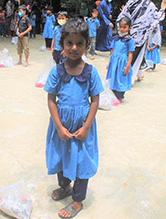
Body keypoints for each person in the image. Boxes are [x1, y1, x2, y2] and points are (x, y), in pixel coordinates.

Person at [44, 18, 104, 218]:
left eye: (80, 43)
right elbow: (51, 100)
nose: (74, 48)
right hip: (61, 127)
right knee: (61, 157)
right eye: (69, 43)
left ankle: (77, 201)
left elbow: (94, 101)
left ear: (87, 45)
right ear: (62, 44)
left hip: (82, 128)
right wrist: (59, 127)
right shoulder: (57, 71)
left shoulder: (90, 72)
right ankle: (65, 186)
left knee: (81, 162)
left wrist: (86, 127)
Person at [117, 0, 166, 83]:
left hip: (127, 35)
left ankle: (128, 77)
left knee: (125, 57)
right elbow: (155, 20)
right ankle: (128, 79)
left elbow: (121, 18)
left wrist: (122, 32)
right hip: (139, 38)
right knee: (135, 59)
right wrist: (162, 9)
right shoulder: (150, 5)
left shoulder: (131, 2)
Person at [106, 17, 134, 103]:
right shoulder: (116, 38)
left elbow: (130, 54)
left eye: (124, 27)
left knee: (121, 78)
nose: (121, 29)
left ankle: (120, 97)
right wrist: (109, 63)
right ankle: (114, 95)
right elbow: (112, 51)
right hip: (114, 62)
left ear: (129, 28)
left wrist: (128, 66)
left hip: (122, 63)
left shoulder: (129, 40)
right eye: (120, 26)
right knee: (113, 77)